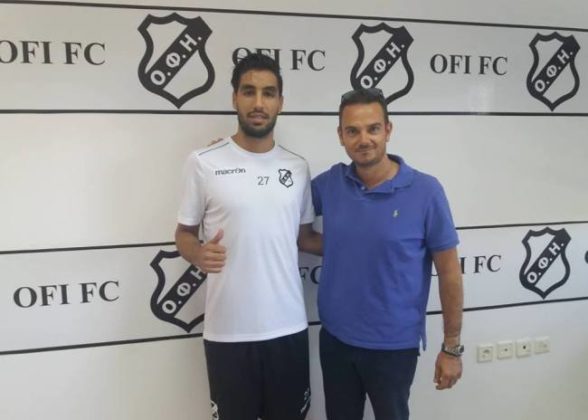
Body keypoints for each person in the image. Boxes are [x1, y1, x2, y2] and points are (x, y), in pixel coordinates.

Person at [298, 88, 464, 420]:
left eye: (373, 128)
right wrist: (241, 159)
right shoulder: (329, 184)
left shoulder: (426, 191)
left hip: (393, 348)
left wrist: (452, 347)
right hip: (336, 341)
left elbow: (449, 272)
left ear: (388, 130)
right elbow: (281, 203)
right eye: (353, 131)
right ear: (341, 136)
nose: (364, 140)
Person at [175, 53, 313, 420]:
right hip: (228, 334)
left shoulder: (298, 168)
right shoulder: (203, 162)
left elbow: (306, 239)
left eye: (269, 93)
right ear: (234, 97)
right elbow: (184, 233)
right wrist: (196, 253)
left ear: (280, 101)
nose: (258, 102)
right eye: (249, 91)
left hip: (288, 329)